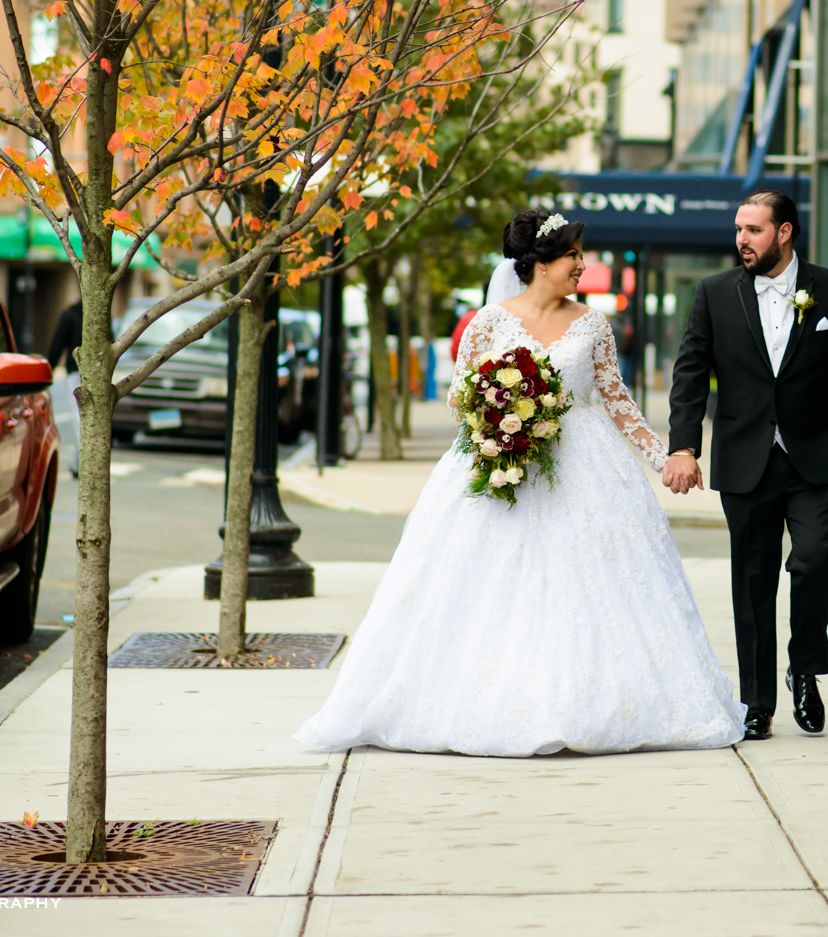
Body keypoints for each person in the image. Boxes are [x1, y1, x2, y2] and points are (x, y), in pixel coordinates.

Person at [295, 210, 744, 756]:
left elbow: (616, 401)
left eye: (581, 254)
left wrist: (668, 457)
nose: (582, 264)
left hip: (585, 469)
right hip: (502, 463)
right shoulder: (488, 322)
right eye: (573, 255)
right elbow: (460, 396)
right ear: (539, 264)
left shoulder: (594, 324)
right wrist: (503, 421)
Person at [662, 188, 828, 741]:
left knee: (814, 561)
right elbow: (690, 372)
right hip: (745, 460)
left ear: (785, 232)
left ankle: (804, 666)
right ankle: (757, 702)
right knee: (752, 583)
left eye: (754, 230)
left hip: (814, 458)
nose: (741, 240)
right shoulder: (714, 294)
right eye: (739, 230)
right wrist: (683, 445)